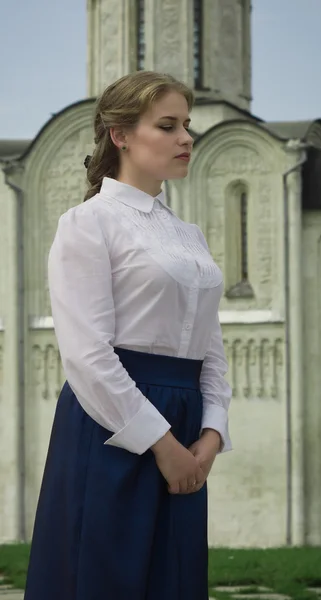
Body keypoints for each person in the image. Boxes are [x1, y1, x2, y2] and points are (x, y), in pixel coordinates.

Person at [24, 71, 232, 600]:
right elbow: (88, 356)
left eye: (187, 124)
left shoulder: (189, 235)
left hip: (186, 426)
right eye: (167, 125)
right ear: (120, 134)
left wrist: (210, 436)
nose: (186, 137)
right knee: (104, 577)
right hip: (113, 426)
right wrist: (162, 445)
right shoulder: (88, 224)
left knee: (173, 581)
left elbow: (211, 347)